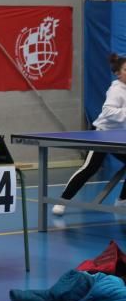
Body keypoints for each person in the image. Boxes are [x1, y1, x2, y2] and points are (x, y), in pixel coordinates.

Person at [51, 53, 126, 227]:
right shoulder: (116, 90)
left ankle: (122, 200)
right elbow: (108, 111)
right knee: (89, 168)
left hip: (121, 138)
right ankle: (62, 200)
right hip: (103, 135)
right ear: (118, 73)